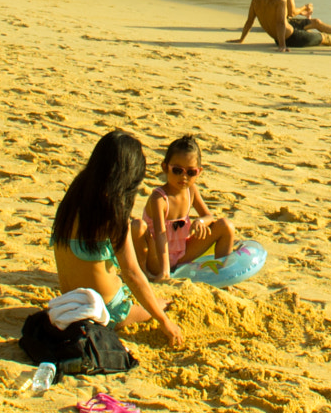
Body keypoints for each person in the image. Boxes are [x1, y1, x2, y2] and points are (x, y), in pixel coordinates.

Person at [51, 131, 183, 345]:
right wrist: (164, 320)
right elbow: (132, 274)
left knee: (154, 301)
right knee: (162, 305)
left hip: (71, 301)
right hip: (108, 312)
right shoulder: (111, 213)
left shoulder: (75, 194)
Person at [135, 135, 236, 282]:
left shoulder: (191, 190)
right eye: (177, 170)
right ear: (165, 167)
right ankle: (147, 273)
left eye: (190, 172)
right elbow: (160, 234)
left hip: (182, 253)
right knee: (137, 226)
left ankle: (221, 275)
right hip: (157, 257)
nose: (184, 177)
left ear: (199, 172)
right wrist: (164, 270)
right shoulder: (159, 198)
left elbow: (209, 216)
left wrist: (200, 222)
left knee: (226, 226)